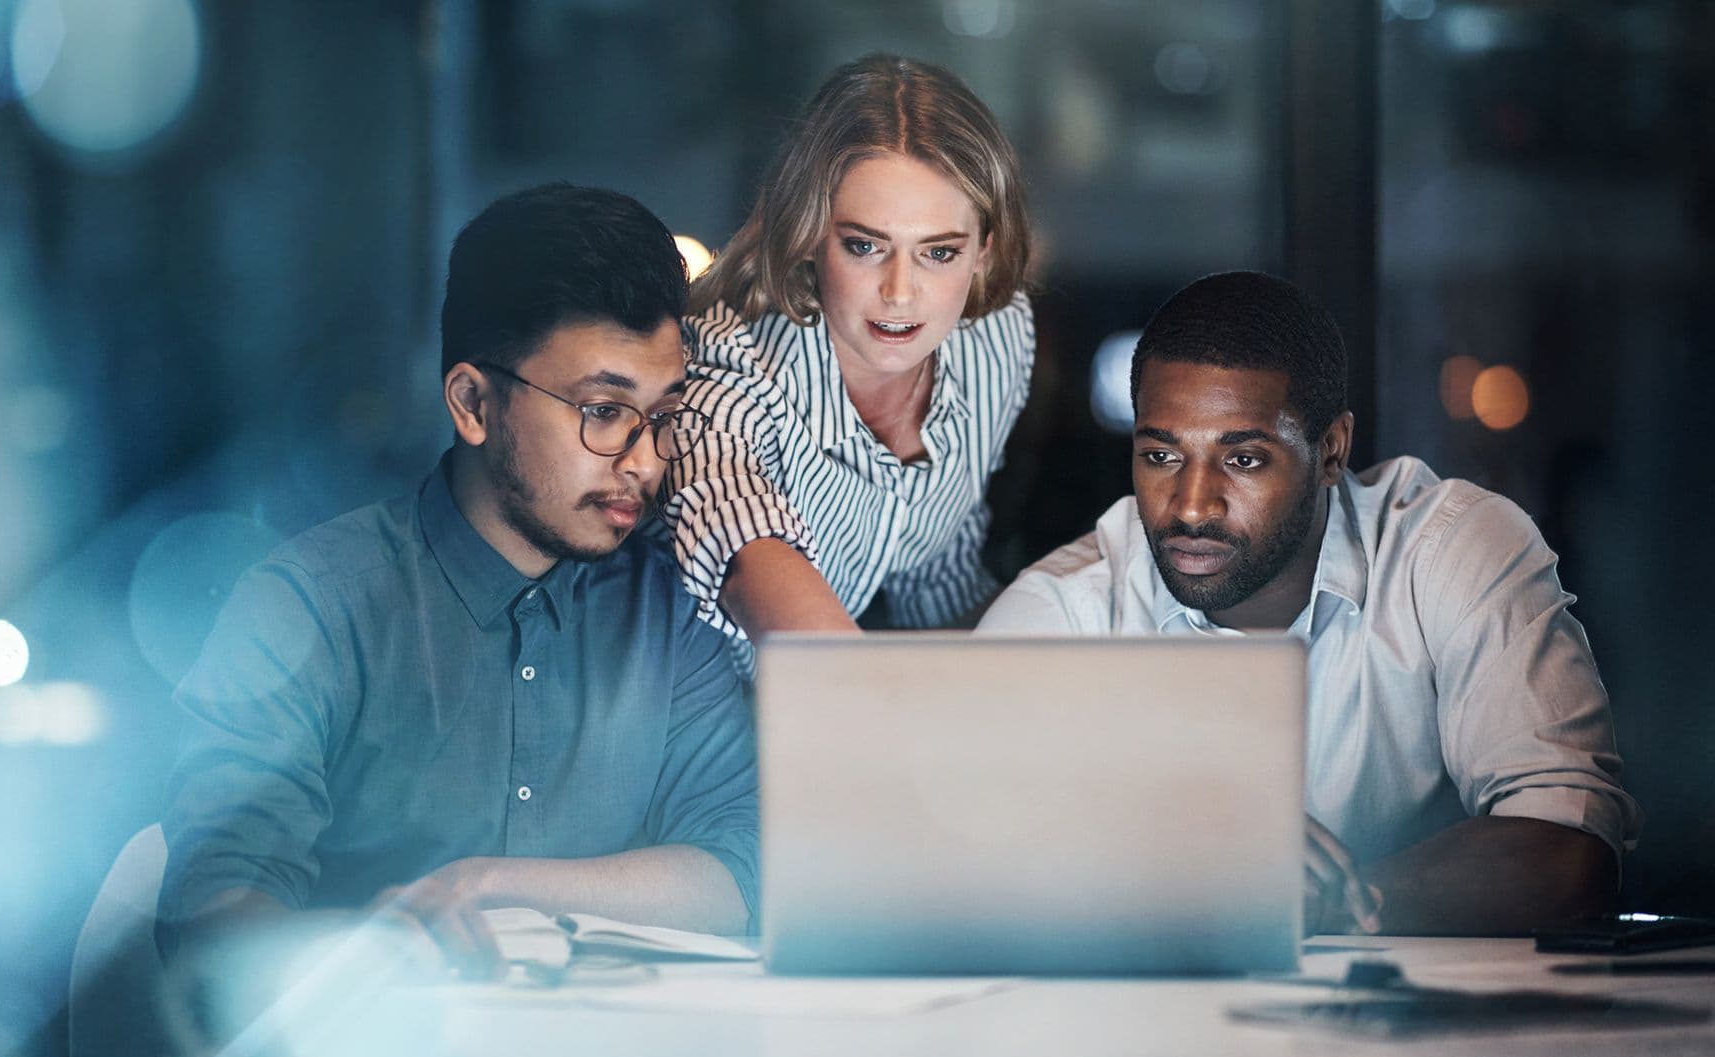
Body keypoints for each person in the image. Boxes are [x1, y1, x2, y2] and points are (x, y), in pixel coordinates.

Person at [157, 184, 759, 981]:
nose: (645, 462)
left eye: (663, 416)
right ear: (474, 403)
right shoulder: (312, 607)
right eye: (604, 410)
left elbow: (743, 866)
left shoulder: (672, 608)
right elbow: (213, 905)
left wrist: (495, 889)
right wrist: (366, 953)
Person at [979, 271, 1640, 935]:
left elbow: (1572, 851)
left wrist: (1311, 905)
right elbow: (959, 871)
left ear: (1330, 452)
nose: (1190, 505)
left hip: (1427, 1032)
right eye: (1160, 455)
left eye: (1242, 461)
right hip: (1155, 1034)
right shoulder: (1060, 616)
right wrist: (1174, 867)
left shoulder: (1448, 554)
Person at [662, 54, 1035, 664]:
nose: (899, 291)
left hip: (846, 712)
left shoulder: (995, 339)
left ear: (985, 252)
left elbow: (936, 582)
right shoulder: (728, 366)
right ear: (811, 234)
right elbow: (741, 543)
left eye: (938, 253)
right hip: (691, 726)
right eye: (864, 246)